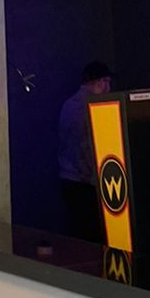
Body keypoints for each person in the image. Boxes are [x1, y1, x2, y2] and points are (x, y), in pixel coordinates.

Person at [57, 60, 112, 243]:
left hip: (69, 179)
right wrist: (95, 179)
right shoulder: (90, 107)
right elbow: (85, 147)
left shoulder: (69, 105)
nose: (109, 88)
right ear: (99, 82)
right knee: (92, 235)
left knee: (79, 234)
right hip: (85, 183)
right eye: (106, 82)